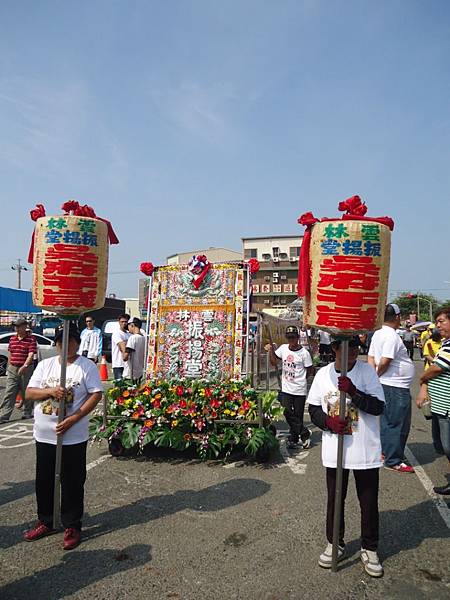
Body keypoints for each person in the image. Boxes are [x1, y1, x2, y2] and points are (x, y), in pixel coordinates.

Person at [308, 335, 385, 578]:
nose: (351, 351)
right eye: (345, 345)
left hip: (365, 449)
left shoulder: (368, 373)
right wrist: (328, 422)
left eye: (355, 346)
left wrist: (354, 391)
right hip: (336, 450)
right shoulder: (323, 375)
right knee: (335, 499)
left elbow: (378, 407)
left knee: (368, 501)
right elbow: (313, 409)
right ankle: (335, 543)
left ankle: (370, 548)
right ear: (334, 347)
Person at [24, 322, 103, 549]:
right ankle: (46, 520)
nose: (66, 345)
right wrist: (50, 391)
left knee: (72, 480)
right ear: (56, 344)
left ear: (77, 343)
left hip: (73, 435)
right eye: (61, 342)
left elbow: (95, 395)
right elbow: (30, 392)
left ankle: (72, 524)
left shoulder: (85, 366)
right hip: (45, 434)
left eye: (71, 341)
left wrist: (73, 419)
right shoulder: (46, 365)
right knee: (44, 479)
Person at [368, 304, 415, 473]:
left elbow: (371, 357)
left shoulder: (378, 333)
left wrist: (373, 376)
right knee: (397, 422)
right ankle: (393, 459)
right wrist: (377, 375)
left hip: (389, 384)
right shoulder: (391, 336)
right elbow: (385, 361)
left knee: (388, 421)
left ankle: (386, 452)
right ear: (396, 317)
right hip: (395, 385)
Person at [265, 325, 314, 450]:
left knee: (297, 416)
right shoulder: (283, 349)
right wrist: (271, 350)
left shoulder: (304, 353)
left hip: (299, 389)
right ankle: (304, 433)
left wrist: (301, 378)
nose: (291, 340)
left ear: (297, 338)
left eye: (293, 337)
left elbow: (310, 370)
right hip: (286, 389)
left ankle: (293, 438)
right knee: (287, 412)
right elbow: (274, 362)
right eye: (289, 337)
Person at [418, 306, 450, 495]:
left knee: (447, 445)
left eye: (441, 321)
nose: (438, 326)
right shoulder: (445, 343)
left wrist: (423, 378)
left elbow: (438, 368)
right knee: (442, 444)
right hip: (440, 405)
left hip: (447, 406)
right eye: (437, 322)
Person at [0, 318, 37, 423]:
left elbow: (31, 354)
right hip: (13, 368)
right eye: (15, 326)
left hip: (26, 368)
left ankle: (27, 412)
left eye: (18, 326)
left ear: (25, 327)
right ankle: (4, 415)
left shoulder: (31, 339)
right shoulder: (12, 339)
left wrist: (25, 366)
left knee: (26, 391)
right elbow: (11, 353)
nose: (16, 328)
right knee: (9, 392)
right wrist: (9, 366)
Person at [123, 317, 146, 383]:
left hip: (131, 373)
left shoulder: (133, 338)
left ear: (132, 325)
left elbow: (125, 357)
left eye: (128, 327)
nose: (128, 330)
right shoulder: (144, 338)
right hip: (140, 371)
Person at [111, 313, 130, 380]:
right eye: (122, 322)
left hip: (127, 364)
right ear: (119, 322)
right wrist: (125, 355)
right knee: (119, 386)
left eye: (125, 322)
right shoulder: (116, 333)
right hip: (118, 364)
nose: (124, 323)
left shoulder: (129, 334)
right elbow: (121, 345)